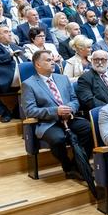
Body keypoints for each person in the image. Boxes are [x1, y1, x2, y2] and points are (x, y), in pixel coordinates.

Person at [21, 50, 93, 179]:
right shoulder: (29, 84)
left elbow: (74, 100)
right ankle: (68, 168)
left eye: (52, 59)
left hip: (69, 117)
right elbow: (30, 110)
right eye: (48, 60)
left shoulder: (63, 78)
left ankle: (78, 165)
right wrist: (55, 111)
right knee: (58, 139)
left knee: (88, 128)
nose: (52, 62)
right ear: (38, 64)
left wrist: (70, 108)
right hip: (48, 122)